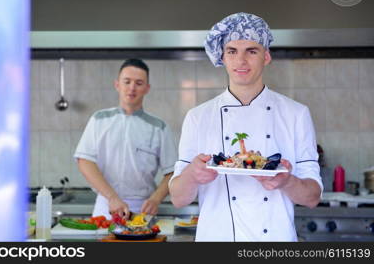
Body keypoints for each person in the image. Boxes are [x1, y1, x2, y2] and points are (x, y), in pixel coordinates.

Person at [169, 13, 323, 241]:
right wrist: (192, 174)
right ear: (222, 57)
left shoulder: (296, 114)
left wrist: (287, 181)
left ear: (266, 57)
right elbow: (178, 199)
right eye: (232, 51)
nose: (241, 61)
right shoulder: (198, 117)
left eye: (251, 51)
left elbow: (312, 197)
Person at [74, 58, 177, 219]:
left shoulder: (159, 127)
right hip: (106, 206)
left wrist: (156, 199)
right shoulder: (99, 119)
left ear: (147, 88)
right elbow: (84, 161)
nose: (132, 88)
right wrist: (112, 197)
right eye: (127, 82)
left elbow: (172, 172)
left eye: (139, 83)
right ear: (117, 84)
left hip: (143, 208)